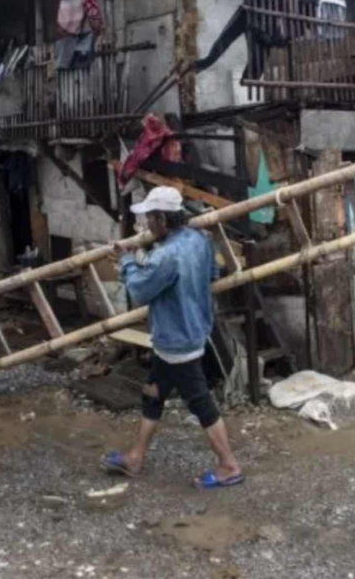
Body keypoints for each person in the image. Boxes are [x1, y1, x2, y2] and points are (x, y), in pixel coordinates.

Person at [100, 186, 243, 489]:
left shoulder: (166, 255)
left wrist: (126, 261)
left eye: (150, 218)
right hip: (187, 333)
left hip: (178, 341)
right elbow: (213, 276)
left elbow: (139, 290)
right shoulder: (200, 240)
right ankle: (136, 458)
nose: (146, 225)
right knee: (152, 392)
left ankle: (230, 466)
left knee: (201, 403)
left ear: (162, 219)